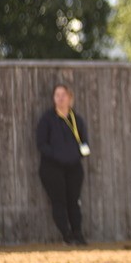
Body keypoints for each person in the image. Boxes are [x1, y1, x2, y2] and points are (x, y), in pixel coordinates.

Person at [35, 83, 90, 245]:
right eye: (57, 95)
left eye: (63, 95)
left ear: (69, 97)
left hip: (73, 167)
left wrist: (78, 154)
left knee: (74, 201)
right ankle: (67, 235)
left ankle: (78, 233)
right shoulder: (47, 119)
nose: (60, 98)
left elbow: (84, 141)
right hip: (52, 167)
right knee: (59, 201)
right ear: (53, 99)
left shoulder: (76, 119)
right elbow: (41, 144)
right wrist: (58, 156)